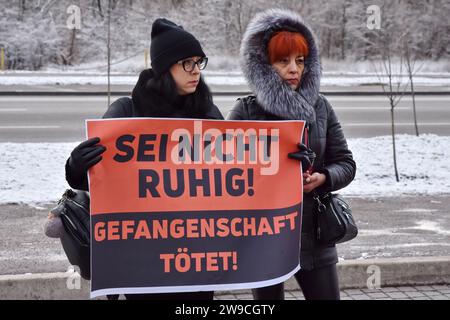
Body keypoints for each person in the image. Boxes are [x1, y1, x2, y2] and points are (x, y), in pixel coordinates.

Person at [65, 18, 223, 300]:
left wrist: (284, 163)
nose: (196, 71)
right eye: (187, 63)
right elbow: (92, 179)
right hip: (143, 256)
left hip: (197, 257)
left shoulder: (207, 113)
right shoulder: (127, 111)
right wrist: (77, 165)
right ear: (164, 68)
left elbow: (235, 172)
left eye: (199, 62)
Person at [227, 8, 356, 300]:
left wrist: (322, 177)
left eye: (300, 61)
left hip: (315, 236)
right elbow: (223, 173)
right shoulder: (246, 111)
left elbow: (346, 164)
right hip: (263, 238)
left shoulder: (321, 107)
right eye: (283, 61)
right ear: (263, 65)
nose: (294, 69)